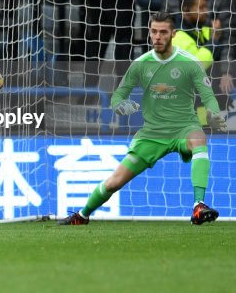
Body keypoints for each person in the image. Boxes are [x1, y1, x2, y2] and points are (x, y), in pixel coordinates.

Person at [60, 12, 225, 226]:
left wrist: (212, 114)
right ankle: (82, 215)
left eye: (163, 32)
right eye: (154, 31)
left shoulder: (189, 62)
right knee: (113, 183)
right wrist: (121, 105)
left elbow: (208, 96)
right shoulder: (141, 64)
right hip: (152, 135)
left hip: (184, 128)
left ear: (173, 34)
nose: (157, 36)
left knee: (199, 138)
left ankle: (198, 206)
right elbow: (118, 96)